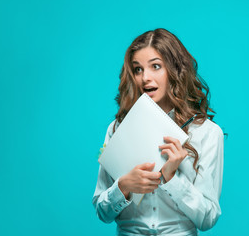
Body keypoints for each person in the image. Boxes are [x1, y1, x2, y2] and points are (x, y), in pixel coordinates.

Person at [93, 28, 224, 236]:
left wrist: (172, 178)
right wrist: (124, 186)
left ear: (175, 70)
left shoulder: (207, 133)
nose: (145, 78)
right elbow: (102, 211)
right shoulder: (117, 128)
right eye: (137, 69)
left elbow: (208, 218)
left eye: (155, 66)